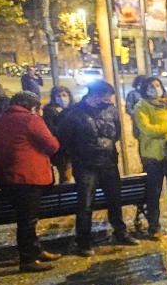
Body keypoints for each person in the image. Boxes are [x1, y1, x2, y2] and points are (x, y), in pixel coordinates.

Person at [58, 80, 139, 256]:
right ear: (94, 95)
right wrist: (82, 154)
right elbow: (66, 140)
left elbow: (116, 133)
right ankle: (84, 241)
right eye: (106, 96)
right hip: (86, 166)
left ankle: (120, 232)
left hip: (109, 162)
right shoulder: (75, 114)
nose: (109, 100)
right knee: (86, 203)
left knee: (115, 200)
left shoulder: (111, 110)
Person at [0, 92, 61, 272]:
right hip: (28, 176)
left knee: (26, 218)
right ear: (31, 106)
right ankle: (27, 259)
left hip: (6, 175)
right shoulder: (31, 120)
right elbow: (52, 145)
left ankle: (35, 251)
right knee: (27, 220)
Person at [134, 76, 167, 239]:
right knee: (154, 192)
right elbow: (147, 129)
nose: (155, 88)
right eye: (151, 86)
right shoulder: (141, 106)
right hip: (152, 156)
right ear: (145, 89)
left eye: (157, 85)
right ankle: (154, 227)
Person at [42, 86, 74, 183]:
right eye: (58, 96)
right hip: (62, 150)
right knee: (66, 175)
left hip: (76, 149)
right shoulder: (49, 111)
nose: (62, 98)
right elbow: (50, 128)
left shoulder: (75, 109)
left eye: (64, 95)